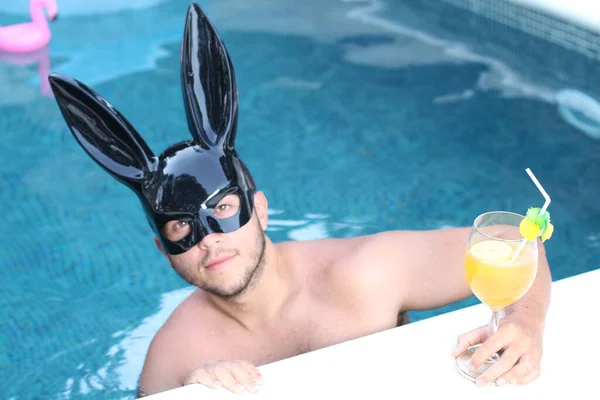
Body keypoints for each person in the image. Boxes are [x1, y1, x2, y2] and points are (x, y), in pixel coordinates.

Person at [48, 2, 552, 398]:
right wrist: (200, 391)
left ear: (261, 208)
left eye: (224, 210)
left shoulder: (365, 273)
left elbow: (513, 240)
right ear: (163, 251)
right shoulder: (178, 354)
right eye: (180, 230)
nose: (207, 242)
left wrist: (522, 321)